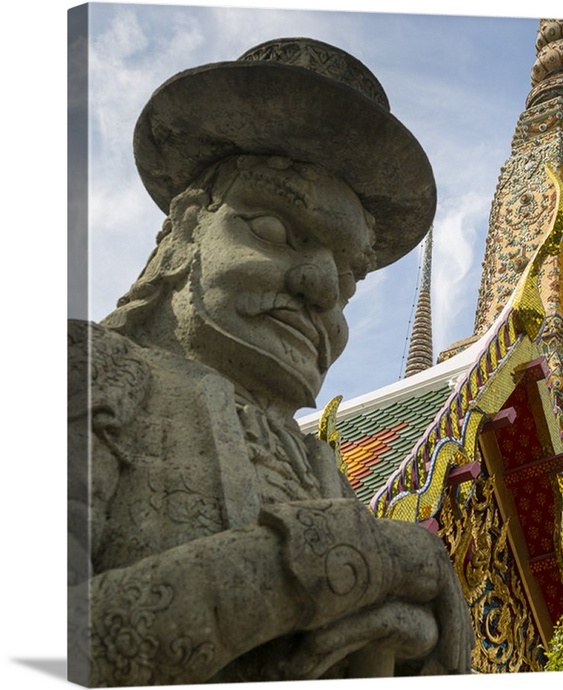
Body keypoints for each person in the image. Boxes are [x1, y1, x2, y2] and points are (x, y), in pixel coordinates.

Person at [67, 38, 472, 686]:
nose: (322, 288)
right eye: (276, 232)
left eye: (349, 279)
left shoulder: (321, 470)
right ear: (186, 229)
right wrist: (321, 564)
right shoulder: (86, 376)